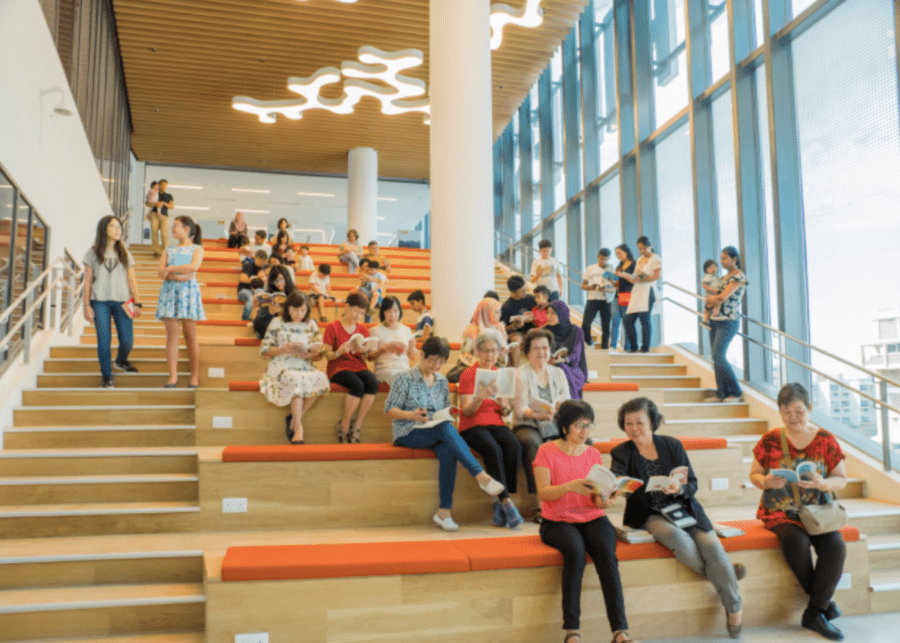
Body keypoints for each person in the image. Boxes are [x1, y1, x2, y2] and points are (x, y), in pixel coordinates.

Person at [610, 397, 744, 639]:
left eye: (639, 422)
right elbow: (617, 476)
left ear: (652, 422)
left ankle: (734, 608)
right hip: (649, 513)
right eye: (628, 423)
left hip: (685, 508)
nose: (633, 428)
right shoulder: (621, 452)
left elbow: (691, 483)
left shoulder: (672, 445)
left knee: (712, 547)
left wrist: (678, 490)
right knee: (679, 541)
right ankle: (727, 578)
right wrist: (617, 484)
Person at [749, 383, 848, 641]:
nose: (793, 417)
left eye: (799, 411)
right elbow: (754, 474)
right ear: (780, 412)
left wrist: (824, 483)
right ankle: (822, 606)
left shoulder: (825, 439)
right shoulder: (770, 439)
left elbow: (841, 478)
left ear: (810, 409)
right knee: (795, 540)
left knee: (836, 545)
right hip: (781, 511)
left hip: (817, 509)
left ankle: (814, 612)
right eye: (786, 412)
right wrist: (765, 481)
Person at [534, 400, 637, 643]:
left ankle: (620, 632)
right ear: (565, 426)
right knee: (575, 553)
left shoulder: (592, 453)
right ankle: (572, 632)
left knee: (607, 554)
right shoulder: (546, 450)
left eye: (589, 426)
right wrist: (569, 486)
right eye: (580, 426)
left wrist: (605, 500)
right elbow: (543, 494)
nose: (585, 432)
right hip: (556, 520)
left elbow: (597, 498)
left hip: (592, 515)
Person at [385, 336, 506, 531]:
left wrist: (448, 413)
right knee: (445, 429)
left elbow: (441, 410)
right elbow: (390, 409)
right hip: (407, 432)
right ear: (422, 354)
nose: (436, 365)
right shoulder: (403, 377)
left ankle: (444, 512)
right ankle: (481, 476)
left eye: (441, 362)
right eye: (433, 360)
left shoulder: (441, 380)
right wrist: (412, 415)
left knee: (448, 447)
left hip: (433, 430)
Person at [457, 329, 524, 529]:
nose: (490, 355)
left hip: (496, 423)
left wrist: (505, 407)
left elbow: (505, 409)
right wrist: (481, 395)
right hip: (472, 425)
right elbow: (467, 412)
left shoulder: (500, 374)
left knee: (514, 446)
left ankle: (503, 501)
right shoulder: (468, 374)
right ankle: (506, 503)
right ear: (477, 351)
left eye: (494, 351)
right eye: (485, 350)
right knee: (493, 449)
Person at [512, 328, 571, 522]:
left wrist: (560, 407)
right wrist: (536, 413)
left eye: (545, 347)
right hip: (528, 423)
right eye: (536, 348)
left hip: (553, 421)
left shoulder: (558, 373)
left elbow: (567, 401)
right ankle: (541, 504)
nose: (541, 352)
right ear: (527, 352)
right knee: (533, 444)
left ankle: (572, 499)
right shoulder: (521, 374)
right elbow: (519, 408)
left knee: (582, 441)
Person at [259, 291, 330, 444]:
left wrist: (310, 354)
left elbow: (319, 352)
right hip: (281, 364)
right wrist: (283, 349)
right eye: (295, 310)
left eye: (303, 310)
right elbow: (264, 351)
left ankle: (294, 420)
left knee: (321, 378)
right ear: (288, 308)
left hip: (304, 364)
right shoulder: (277, 322)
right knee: (295, 380)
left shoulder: (311, 324)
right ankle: (298, 428)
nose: (299, 314)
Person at [82, 215, 142, 388]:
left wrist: (137, 303)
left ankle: (121, 361)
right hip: (99, 301)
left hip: (124, 302)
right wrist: (86, 305)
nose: (118, 229)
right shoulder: (92, 253)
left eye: (119, 227)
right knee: (104, 340)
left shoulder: (125, 253)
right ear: (103, 229)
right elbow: (87, 282)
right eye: (113, 226)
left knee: (127, 341)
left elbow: (132, 280)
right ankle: (107, 377)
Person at [322, 293, 379, 443]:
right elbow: (327, 355)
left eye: (361, 313)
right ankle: (345, 424)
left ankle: (357, 424)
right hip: (338, 367)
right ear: (346, 307)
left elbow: (365, 359)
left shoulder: (362, 329)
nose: (358, 316)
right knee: (357, 385)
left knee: (373, 382)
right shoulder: (332, 327)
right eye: (355, 311)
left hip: (358, 366)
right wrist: (339, 352)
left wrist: (364, 351)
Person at [156, 215, 204, 388]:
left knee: (190, 336)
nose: (172, 228)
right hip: (170, 293)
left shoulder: (197, 249)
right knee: (172, 335)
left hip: (189, 294)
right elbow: (161, 273)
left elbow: (193, 268)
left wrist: (170, 269)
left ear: (187, 229)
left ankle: (195, 375)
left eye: (175, 225)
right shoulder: (168, 250)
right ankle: (173, 376)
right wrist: (179, 276)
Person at [703, 246, 748, 403]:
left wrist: (711, 300)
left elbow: (722, 297)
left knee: (718, 355)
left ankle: (735, 392)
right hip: (715, 321)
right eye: (721, 258)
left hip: (729, 322)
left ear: (734, 259)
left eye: (724, 258)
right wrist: (710, 300)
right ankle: (721, 393)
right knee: (716, 358)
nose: (721, 261)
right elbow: (712, 297)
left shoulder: (738, 277)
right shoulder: (722, 278)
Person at [619, 236, 661, 354]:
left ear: (650, 246)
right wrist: (624, 275)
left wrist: (644, 278)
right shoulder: (639, 260)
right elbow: (634, 278)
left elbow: (657, 276)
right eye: (640, 249)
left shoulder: (655, 258)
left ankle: (645, 347)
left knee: (644, 319)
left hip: (648, 290)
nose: (642, 251)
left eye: (644, 248)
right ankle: (633, 346)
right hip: (637, 291)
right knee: (627, 320)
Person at [369, 296, 417, 386]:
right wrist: (383, 349)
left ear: (400, 311)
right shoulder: (375, 330)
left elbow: (412, 357)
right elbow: (370, 357)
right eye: (388, 311)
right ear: (383, 312)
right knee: (401, 380)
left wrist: (411, 347)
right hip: (385, 370)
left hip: (404, 369)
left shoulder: (407, 330)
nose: (393, 315)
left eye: (396, 311)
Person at [545, 300, 588, 399]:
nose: (549, 316)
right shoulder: (545, 331)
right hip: (551, 368)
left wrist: (563, 360)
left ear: (562, 314)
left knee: (561, 367)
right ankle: (572, 404)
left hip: (574, 370)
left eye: (553, 313)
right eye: (547, 313)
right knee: (559, 368)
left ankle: (571, 403)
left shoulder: (576, 331)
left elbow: (576, 354)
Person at [581, 248, 616, 348]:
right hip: (592, 299)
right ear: (597, 257)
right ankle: (589, 342)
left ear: (608, 259)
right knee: (585, 324)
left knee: (606, 327)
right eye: (601, 259)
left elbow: (615, 285)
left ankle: (605, 348)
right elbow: (583, 285)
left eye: (606, 259)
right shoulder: (590, 268)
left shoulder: (610, 269)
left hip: (606, 300)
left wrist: (609, 283)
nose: (603, 261)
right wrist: (589, 287)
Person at [251, 264, 296, 340]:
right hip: (273, 332)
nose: (278, 283)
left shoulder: (295, 295)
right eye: (275, 281)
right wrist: (270, 314)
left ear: (286, 277)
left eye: (280, 279)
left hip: (290, 330)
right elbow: (258, 325)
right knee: (259, 323)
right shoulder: (269, 296)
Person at [461, 297, 507, 367]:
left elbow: (503, 360)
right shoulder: (471, 330)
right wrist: (483, 363)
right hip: (474, 367)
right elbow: (464, 355)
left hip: (495, 367)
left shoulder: (499, 328)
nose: (500, 315)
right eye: (496, 312)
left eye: (500, 311)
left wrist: (503, 356)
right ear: (487, 312)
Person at [610, 244, 635, 353]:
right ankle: (613, 346)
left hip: (628, 295)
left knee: (626, 322)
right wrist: (612, 280)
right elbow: (617, 284)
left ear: (626, 252)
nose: (618, 256)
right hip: (617, 295)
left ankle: (627, 347)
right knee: (615, 321)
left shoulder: (634, 265)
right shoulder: (619, 266)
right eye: (617, 254)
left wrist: (622, 275)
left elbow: (634, 280)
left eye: (620, 253)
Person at [238, 250, 268, 321]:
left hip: (257, 290)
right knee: (251, 298)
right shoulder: (248, 265)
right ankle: (245, 320)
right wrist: (257, 278)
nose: (262, 262)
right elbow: (242, 279)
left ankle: (258, 320)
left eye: (264, 261)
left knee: (262, 296)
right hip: (244, 289)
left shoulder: (264, 268)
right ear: (256, 258)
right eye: (261, 260)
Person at [149, 179, 174, 257]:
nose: (163, 186)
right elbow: (148, 204)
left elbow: (172, 206)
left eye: (165, 185)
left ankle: (165, 251)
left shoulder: (169, 196)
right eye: (162, 184)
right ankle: (156, 251)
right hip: (154, 214)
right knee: (154, 232)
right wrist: (156, 204)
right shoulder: (154, 193)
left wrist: (164, 204)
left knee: (164, 233)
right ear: (159, 185)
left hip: (164, 216)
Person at [701, 259, 723, 323]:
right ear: (706, 270)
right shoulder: (707, 276)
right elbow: (704, 285)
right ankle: (708, 319)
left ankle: (714, 316)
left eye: (715, 267)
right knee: (714, 305)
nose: (713, 269)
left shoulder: (715, 277)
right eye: (710, 268)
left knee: (715, 305)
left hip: (715, 294)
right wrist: (712, 290)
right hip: (710, 294)